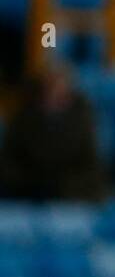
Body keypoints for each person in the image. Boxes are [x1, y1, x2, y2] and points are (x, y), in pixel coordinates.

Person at [0, 62, 107, 202]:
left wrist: (62, 187)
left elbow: (92, 168)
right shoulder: (22, 118)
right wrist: (29, 184)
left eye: (60, 90)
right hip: (26, 194)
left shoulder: (84, 122)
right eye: (49, 89)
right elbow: (8, 162)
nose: (53, 95)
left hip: (70, 198)